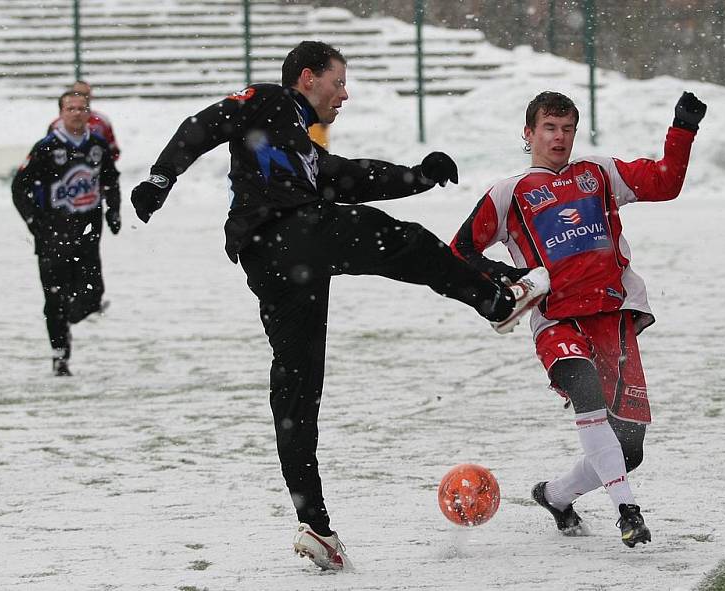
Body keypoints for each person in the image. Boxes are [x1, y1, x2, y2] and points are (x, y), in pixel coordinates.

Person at [129, 40, 548, 570]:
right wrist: (160, 179)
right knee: (405, 242)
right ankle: (494, 300)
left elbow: (349, 176)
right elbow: (203, 124)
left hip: (277, 264)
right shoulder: (269, 101)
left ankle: (316, 526)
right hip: (287, 235)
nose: (344, 94)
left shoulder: (303, 150)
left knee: (298, 389)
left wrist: (418, 175)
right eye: (339, 82)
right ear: (308, 78)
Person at [451, 90, 706, 547]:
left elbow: (666, 182)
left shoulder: (599, 173)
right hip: (558, 322)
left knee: (629, 450)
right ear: (528, 134)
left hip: (613, 318)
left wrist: (682, 130)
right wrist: (506, 276)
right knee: (585, 391)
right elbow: (460, 251)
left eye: (567, 129)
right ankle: (628, 511)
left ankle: (555, 495)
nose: (559, 138)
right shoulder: (509, 192)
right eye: (549, 128)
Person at [13, 90, 121, 377]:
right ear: (60, 113)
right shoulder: (47, 147)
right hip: (53, 236)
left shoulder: (97, 145)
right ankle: (59, 356)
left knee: (93, 295)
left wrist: (114, 210)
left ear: (89, 112)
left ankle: (69, 319)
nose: (76, 113)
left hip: (87, 233)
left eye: (82, 108)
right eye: (70, 108)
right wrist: (34, 222)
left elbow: (111, 180)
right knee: (54, 298)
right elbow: (19, 187)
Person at [49, 80, 121, 161]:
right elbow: (45, 152)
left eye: (85, 94)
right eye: (77, 93)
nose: (81, 97)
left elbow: (113, 150)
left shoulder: (102, 121)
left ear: (91, 96)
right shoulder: (57, 124)